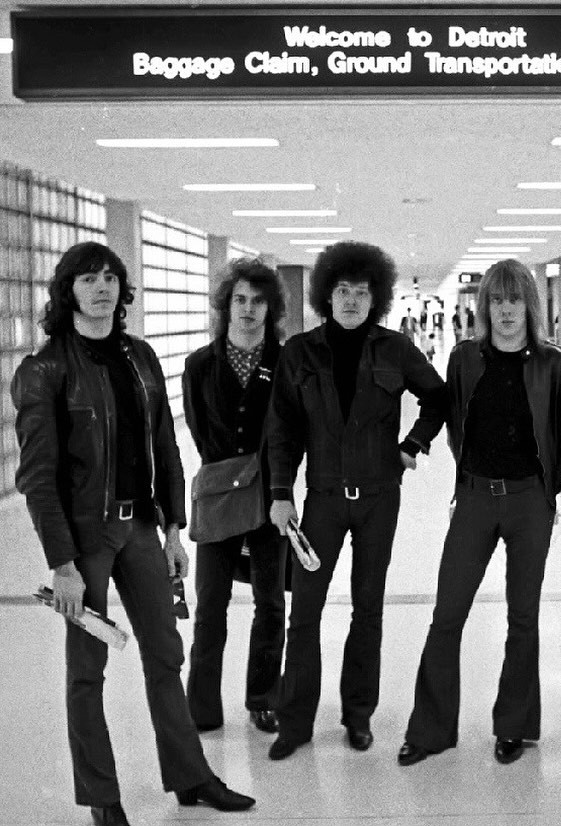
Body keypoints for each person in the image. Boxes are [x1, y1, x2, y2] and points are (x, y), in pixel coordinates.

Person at [11, 242, 254, 826]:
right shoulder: (44, 371)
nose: (101, 288)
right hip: (85, 541)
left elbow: (164, 445)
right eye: (88, 279)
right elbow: (37, 478)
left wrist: (173, 529)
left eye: (110, 278)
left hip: (141, 527)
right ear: (67, 291)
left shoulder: (139, 357)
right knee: (87, 670)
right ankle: (102, 798)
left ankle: (191, 777)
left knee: (165, 655)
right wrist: (62, 564)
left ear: (122, 289)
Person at [398, 259, 561, 767]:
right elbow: (452, 416)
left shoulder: (555, 365)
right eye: (497, 301)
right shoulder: (464, 359)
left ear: (530, 305)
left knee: (523, 616)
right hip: (476, 499)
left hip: (529, 502)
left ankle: (514, 726)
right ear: (485, 308)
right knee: (447, 613)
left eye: (515, 300)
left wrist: (547, 491)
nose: (506, 310)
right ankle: (431, 729)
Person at [266, 240, 447, 760]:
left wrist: (414, 444)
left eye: (361, 292)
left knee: (368, 610)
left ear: (376, 298)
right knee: (305, 612)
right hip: (321, 502)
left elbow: (438, 397)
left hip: (378, 500)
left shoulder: (395, 349)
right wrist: (280, 493)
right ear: (327, 295)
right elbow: (282, 429)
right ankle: (295, 722)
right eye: (342, 291)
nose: (350, 300)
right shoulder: (300, 352)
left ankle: (358, 715)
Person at [182, 257, 288, 735]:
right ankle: (202, 706)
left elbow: (292, 430)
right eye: (240, 300)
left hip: (269, 497)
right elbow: (200, 431)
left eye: (258, 301)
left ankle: (263, 698)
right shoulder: (199, 366)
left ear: (270, 309)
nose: (248, 309)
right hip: (218, 498)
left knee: (271, 603)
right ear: (226, 306)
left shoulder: (285, 363)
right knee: (210, 605)